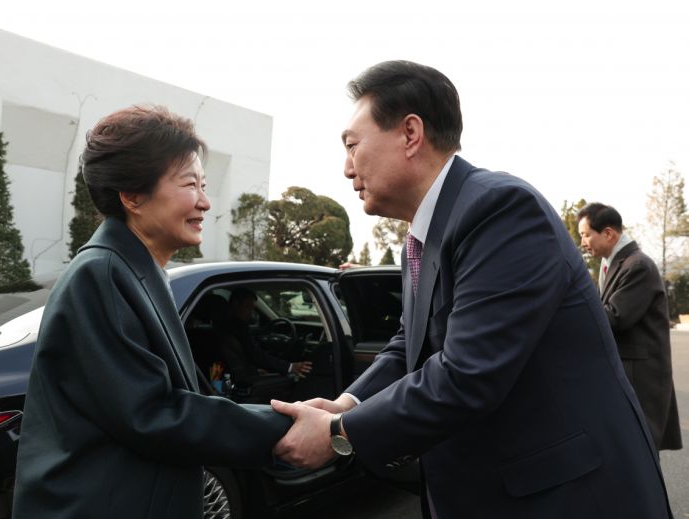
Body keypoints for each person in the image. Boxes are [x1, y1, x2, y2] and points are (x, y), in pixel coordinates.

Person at [271, 61, 673, 518]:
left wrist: (340, 432)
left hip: (564, 497)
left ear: (410, 134)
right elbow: (408, 347)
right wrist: (345, 403)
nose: (346, 169)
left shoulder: (500, 210)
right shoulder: (420, 240)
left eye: (352, 146)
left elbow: (467, 373)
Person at [12, 105, 290, 519]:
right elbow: (151, 413)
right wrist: (285, 426)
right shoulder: (101, 274)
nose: (205, 201)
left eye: (204, 185)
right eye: (190, 184)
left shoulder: (134, 268)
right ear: (132, 196)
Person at [578, 202, 682, 451]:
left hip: (640, 378)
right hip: (629, 374)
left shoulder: (637, 266)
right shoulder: (614, 264)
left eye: (586, 235)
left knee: (639, 450)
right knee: (631, 451)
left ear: (608, 233)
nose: (582, 243)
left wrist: (572, 305)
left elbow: (616, 317)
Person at [218, 287, 313, 380]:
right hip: (245, 382)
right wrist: (290, 367)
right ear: (236, 304)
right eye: (248, 307)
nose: (251, 312)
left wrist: (255, 370)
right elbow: (256, 355)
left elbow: (246, 357)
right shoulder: (237, 328)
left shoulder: (223, 327)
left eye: (253, 308)